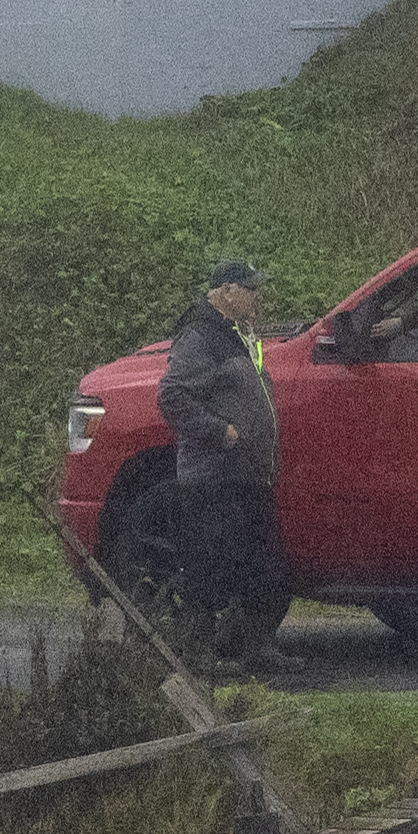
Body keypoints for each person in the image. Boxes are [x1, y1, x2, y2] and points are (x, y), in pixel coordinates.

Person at [154, 255, 282, 662]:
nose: (256, 296)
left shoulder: (239, 333)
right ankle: (200, 655)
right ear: (227, 292)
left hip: (247, 473)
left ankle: (251, 647)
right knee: (208, 567)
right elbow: (171, 395)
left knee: (257, 565)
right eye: (250, 289)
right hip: (212, 475)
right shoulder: (200, 336)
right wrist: (219, 432)